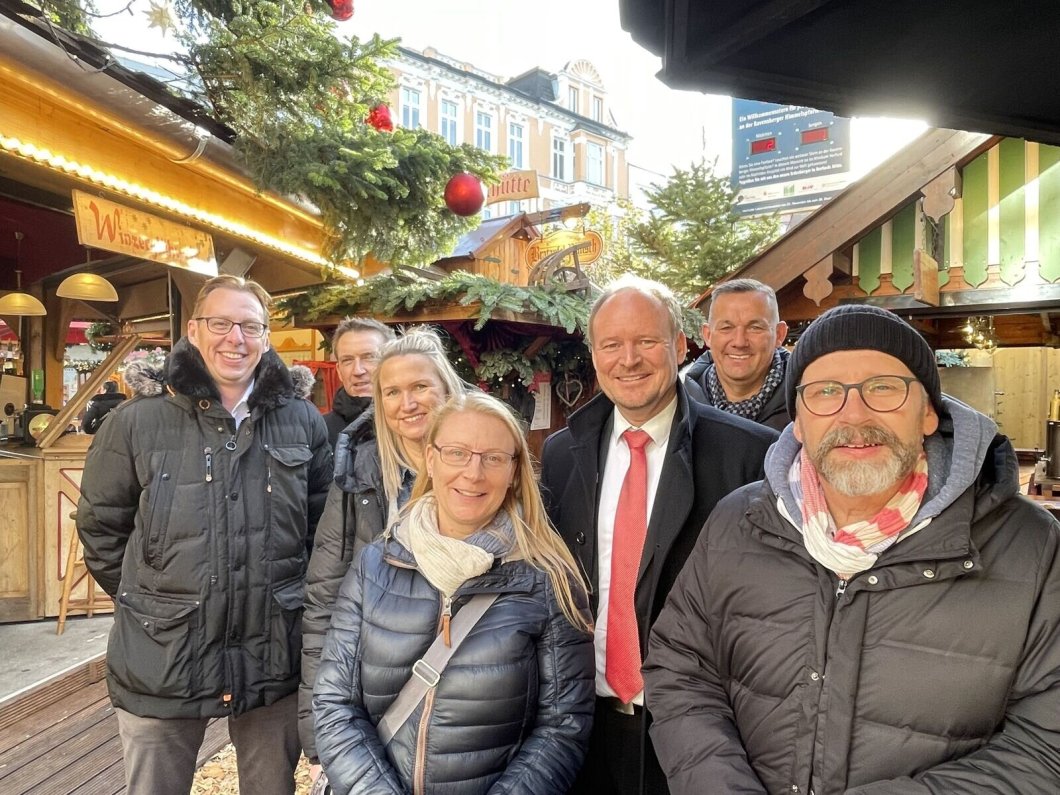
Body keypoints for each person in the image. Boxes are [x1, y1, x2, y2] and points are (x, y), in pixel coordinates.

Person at [644, 304, 1060, 794]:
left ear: (928, 411)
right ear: (798, 420)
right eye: (825, 392)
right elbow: (681, 668)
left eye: (883, 387)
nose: (854, 414)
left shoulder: (1029, 548)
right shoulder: (739, 522)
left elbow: (1046, 744)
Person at [76, 275, 333, 795]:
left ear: (266, 337)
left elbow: (321, 531)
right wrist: (152, 599)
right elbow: (102, 528)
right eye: (220, 323)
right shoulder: (136, 421)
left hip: (271, 653)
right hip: (162, 654)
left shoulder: (302, 421)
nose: (234, 338)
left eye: (250, 326)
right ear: (194, 330)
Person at [540, 275, 778, 795]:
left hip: (701, 727)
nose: (629, 359)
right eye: (612, 344)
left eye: (647, 341)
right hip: (582, 720)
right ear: (595, 353)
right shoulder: (561, 455)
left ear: (679, 345)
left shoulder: (751, 455)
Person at [313, 391, 595, 794]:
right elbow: (334, 702)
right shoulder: (377, 563)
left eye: (494, 458)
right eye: (457, 453)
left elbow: (563, 726)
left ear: (515, 471)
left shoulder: (548, 579)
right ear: (431, 458)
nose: (473, 473)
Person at [299, 327, 467, 782]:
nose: (407, 403)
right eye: (392, 391)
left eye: (419, 387)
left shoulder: (484, 466)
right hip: (376, 701)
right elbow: (324, 597)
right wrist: (317, 724)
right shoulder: (361, 476)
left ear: (446, 389)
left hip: (470, 699)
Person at [684, 278, 791, 430]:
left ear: (779, 334)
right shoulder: (678, 408)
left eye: (755, 327)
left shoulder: (807, 406)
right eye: (726, 328)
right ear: (707, 335)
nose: (739, 342)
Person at [323, 316, 395, 449]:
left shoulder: (413, 424)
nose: (358, 370)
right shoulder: (320, 432)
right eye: (348, 360)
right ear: (339, 370)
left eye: (369, 357)